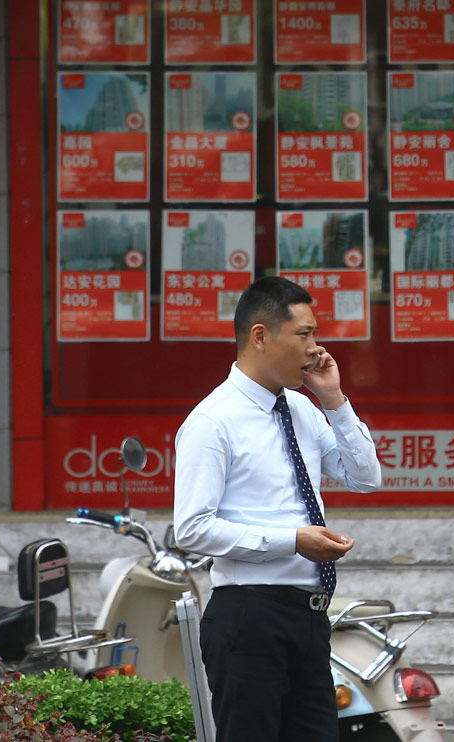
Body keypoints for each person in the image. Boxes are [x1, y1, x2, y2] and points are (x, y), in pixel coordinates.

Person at [174, 275, 382, 742]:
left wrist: (334, 399)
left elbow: (366, 477)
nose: (315, 348)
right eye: (304, 334)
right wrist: (293, 540)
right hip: (248, 618)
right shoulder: (213, 421)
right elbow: (190, 529)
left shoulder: (305, 409)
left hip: (309, 618)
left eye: (315, 335)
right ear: (261, 336)